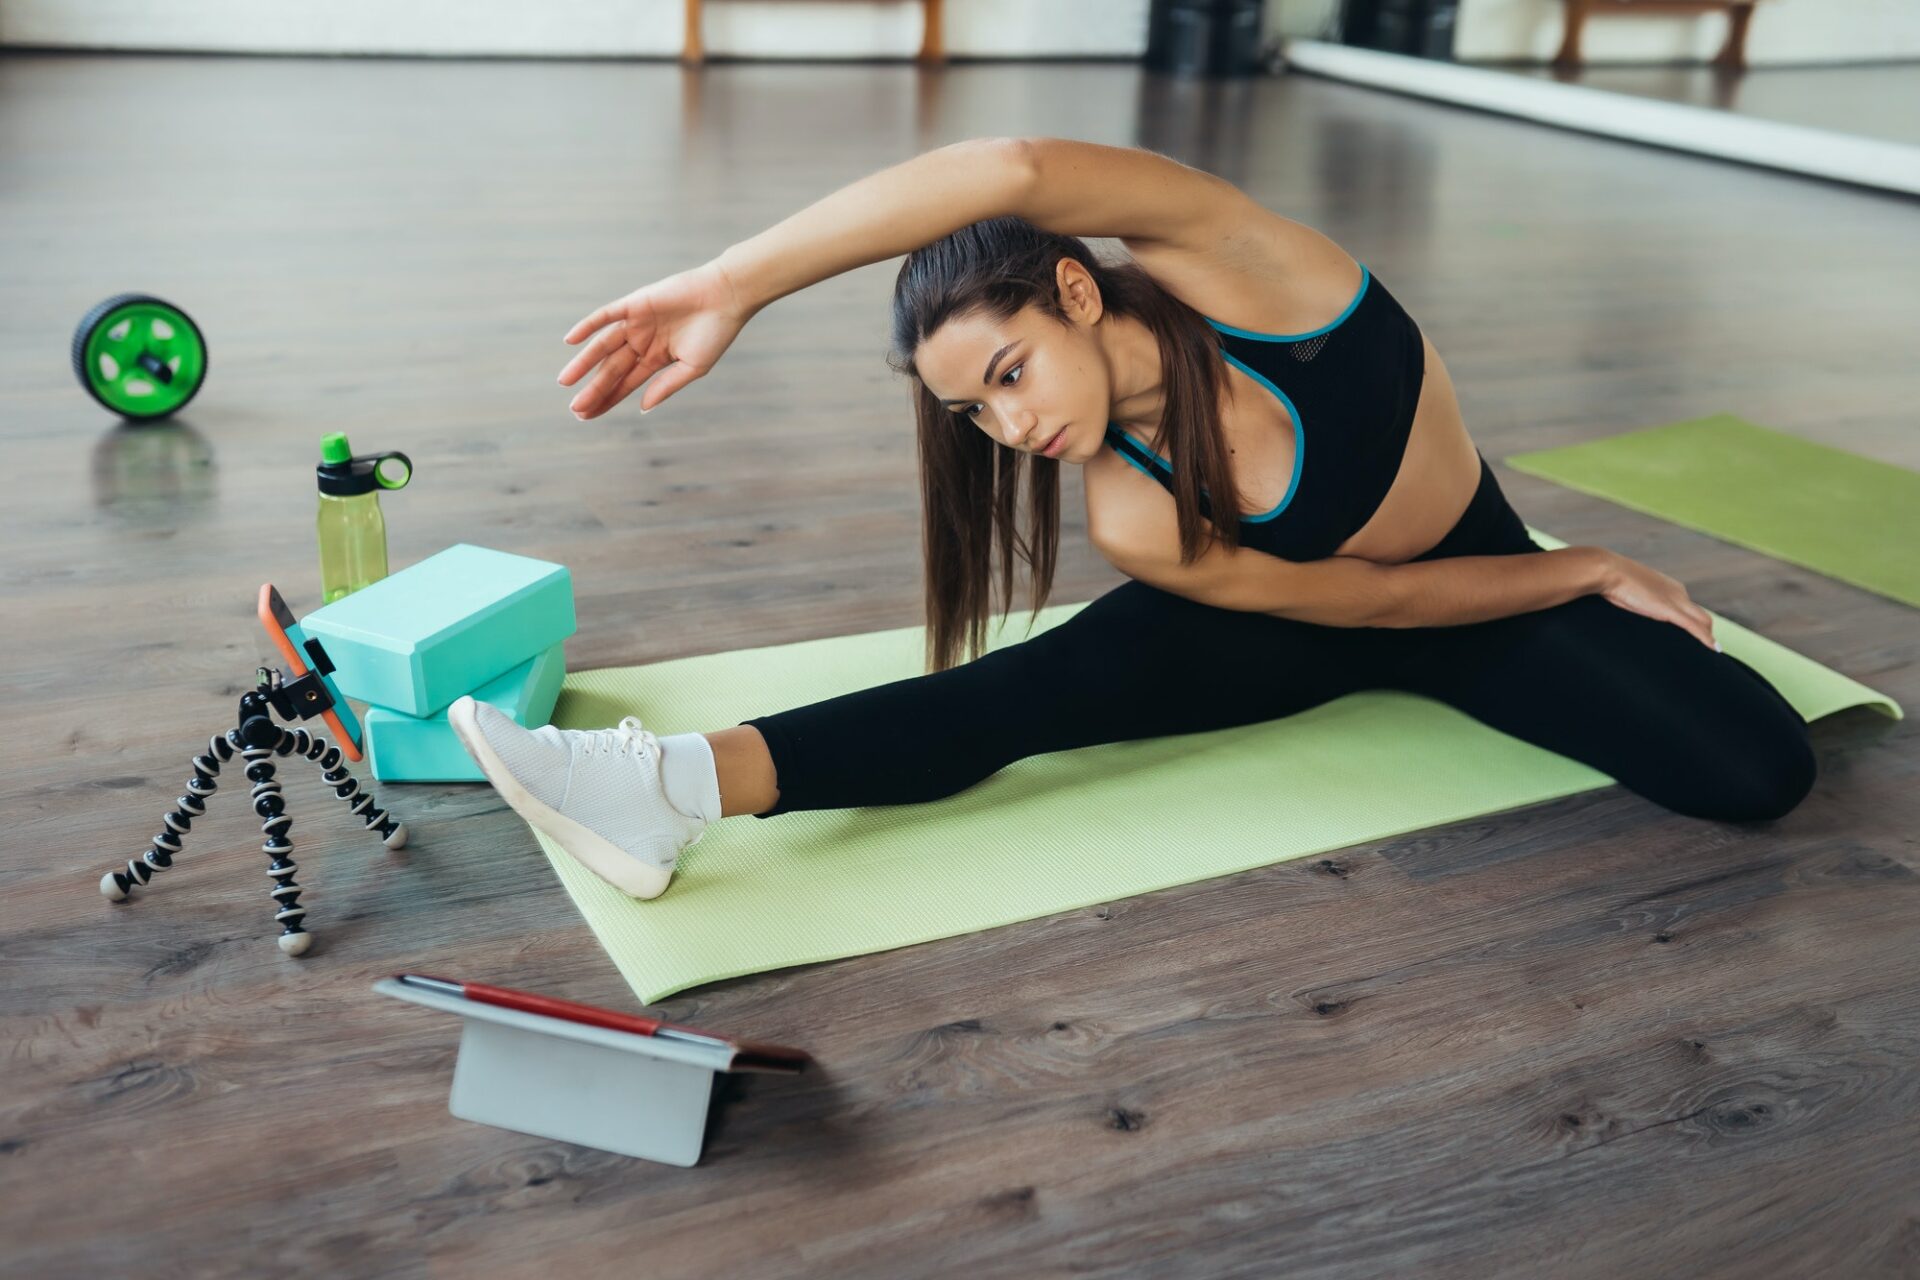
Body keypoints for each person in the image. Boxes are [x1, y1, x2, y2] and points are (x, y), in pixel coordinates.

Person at [448, 136, 1815, 901]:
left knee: (1759, 769)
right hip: (1331, 618)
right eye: (977, 417)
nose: (1012, 427)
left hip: (1477, 584)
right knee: (1044, 688)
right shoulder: (1135, 514)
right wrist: (1584, 564)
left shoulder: (1255, 275)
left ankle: (669, 783)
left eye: (1008, 374)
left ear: (1078, 294)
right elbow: (1368, 611)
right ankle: (666, 787)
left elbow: (1019, 165)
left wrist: (737, 282)